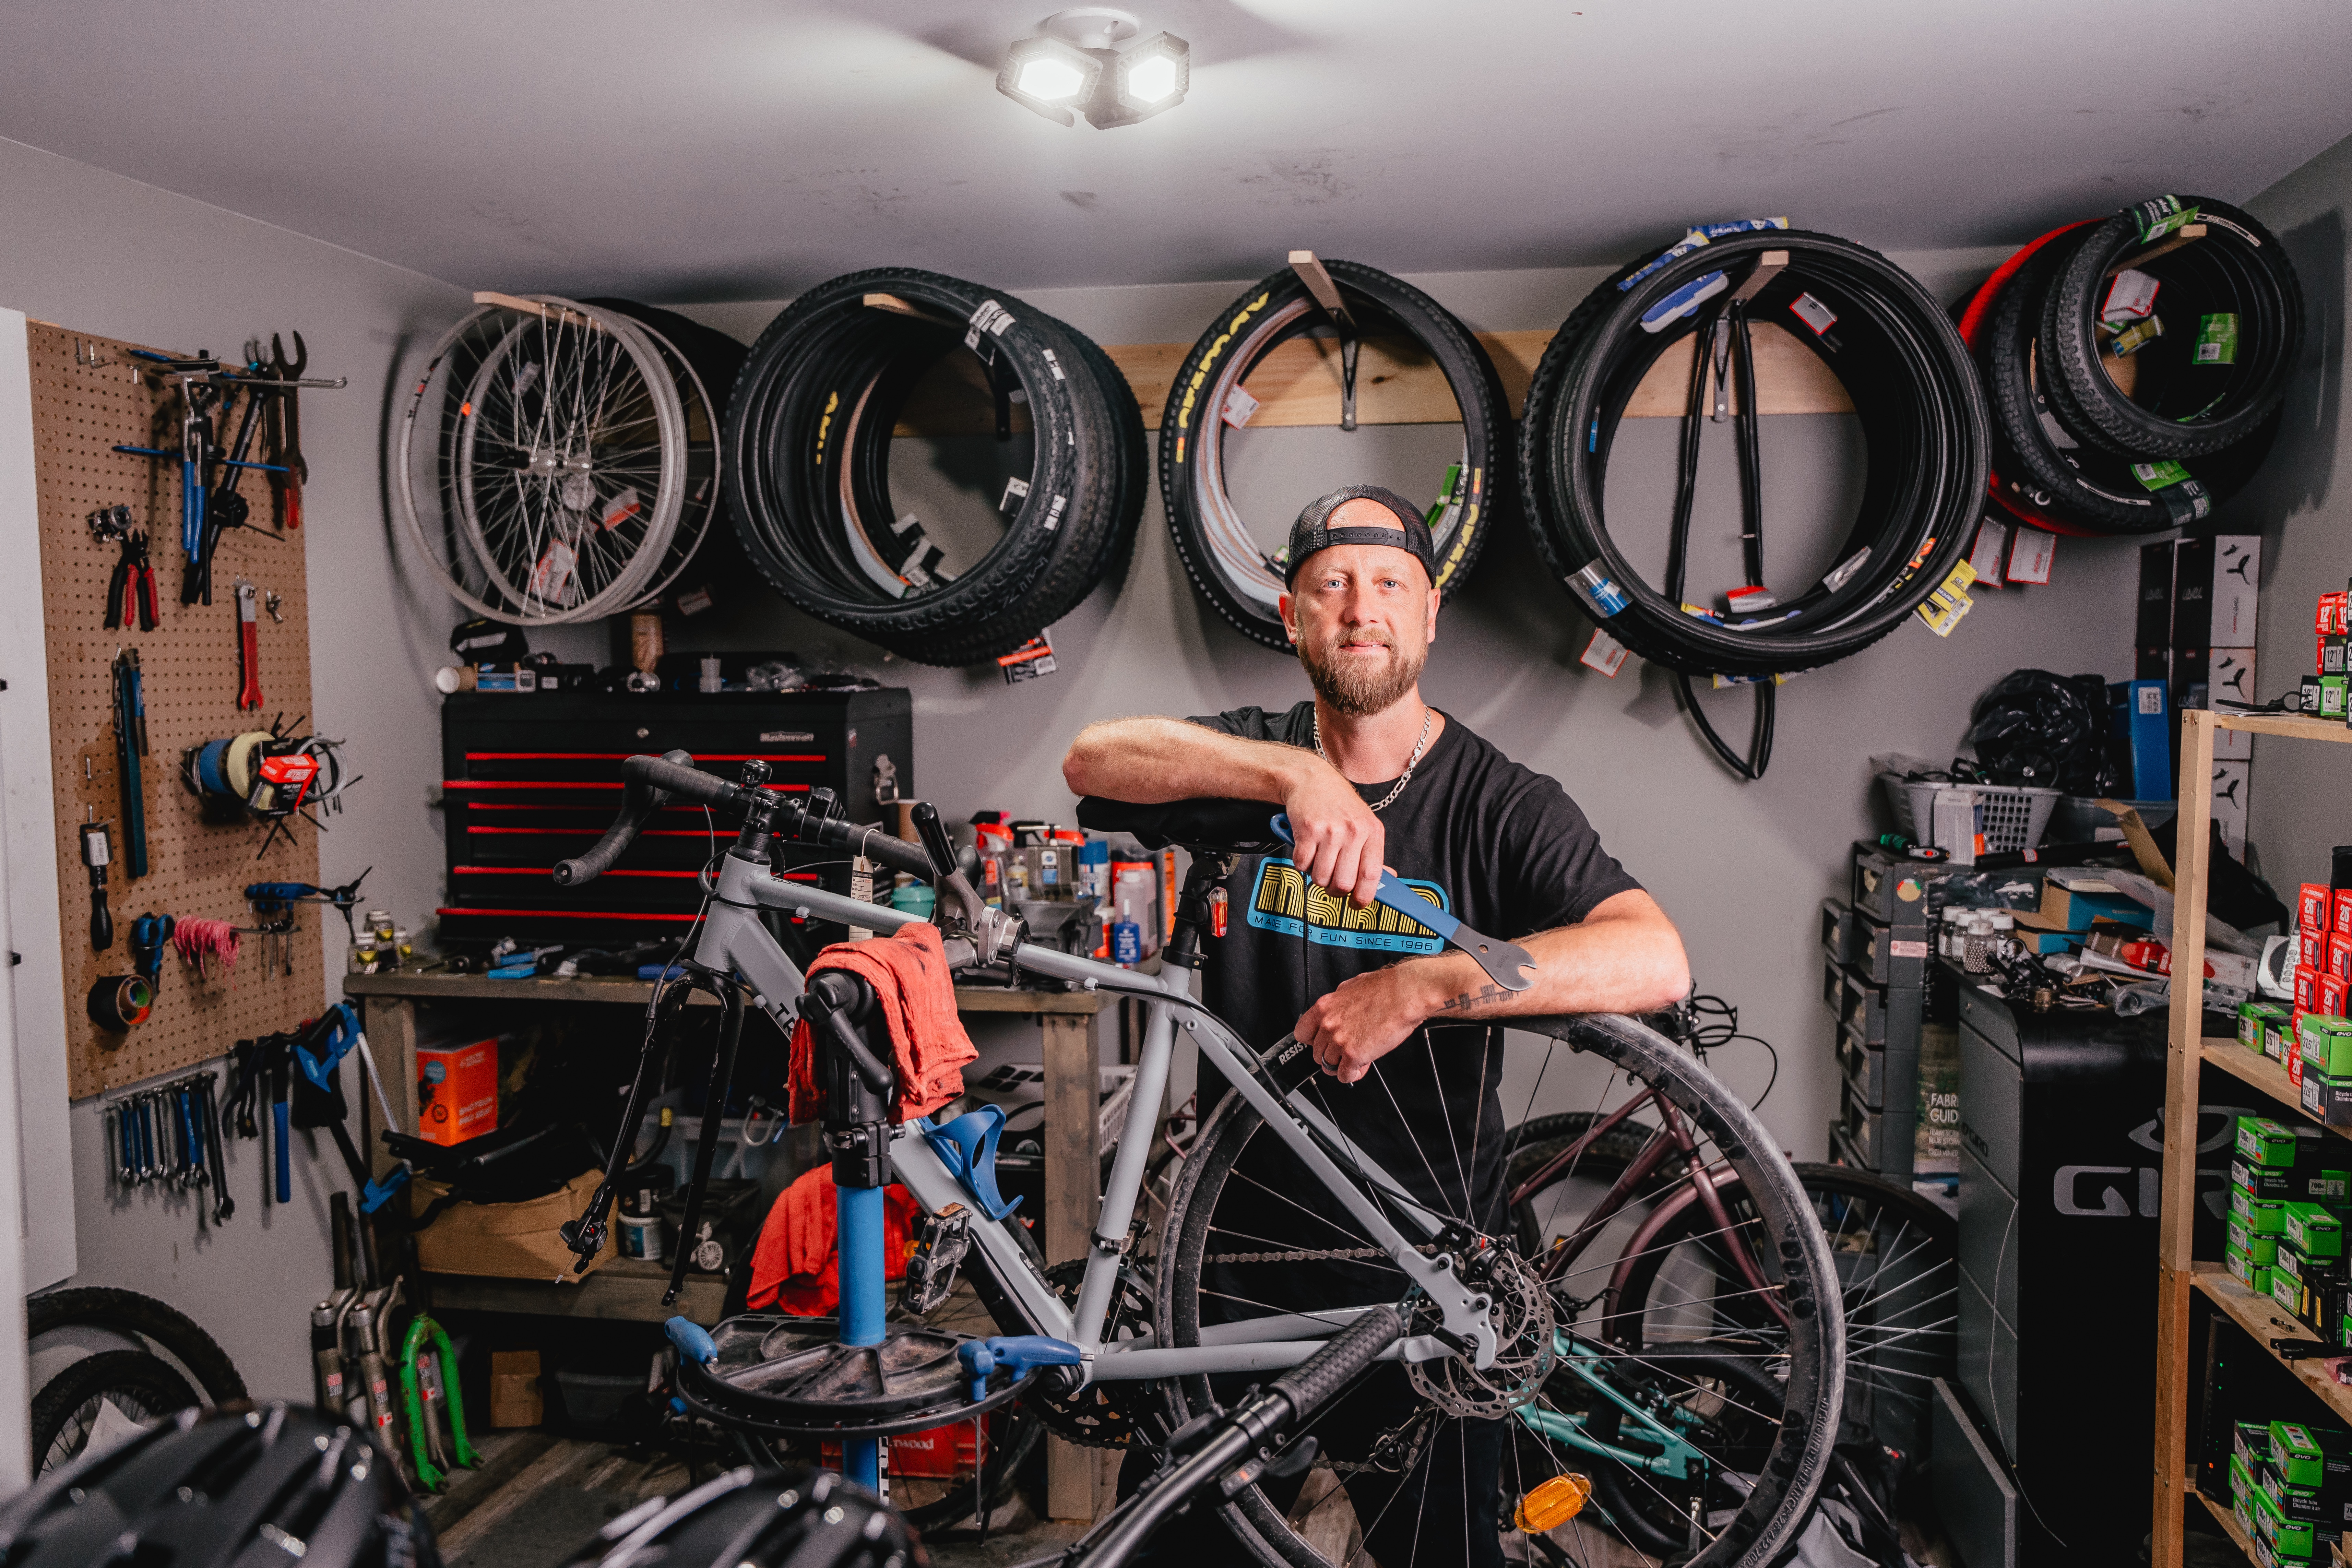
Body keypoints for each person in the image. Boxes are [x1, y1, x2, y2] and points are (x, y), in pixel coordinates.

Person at [1062, 484, 1689, 1568]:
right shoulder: (1246, 762)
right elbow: (1091, 759)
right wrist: (1292, 773)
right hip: (1235, 1273)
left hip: (1430, 1281)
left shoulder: (1497, 802)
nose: (1361, 608)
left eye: (1390, 584)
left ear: (1429, 613)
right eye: (1332, 585)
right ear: (1292, 614)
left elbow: (1653, 956)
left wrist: (1426, 985)